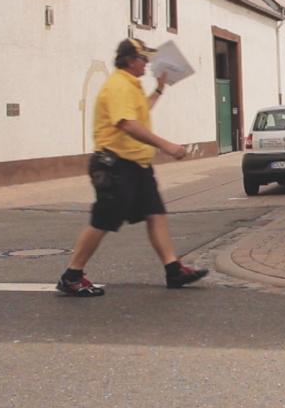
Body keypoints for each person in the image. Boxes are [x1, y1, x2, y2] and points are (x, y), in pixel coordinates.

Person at [57, 38, 208, 296]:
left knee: (155, 213)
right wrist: (167, 146)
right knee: (104, 220)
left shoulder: (132, 85)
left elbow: (139, 114)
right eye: (143, 59)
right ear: (130, 59)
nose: (147, 63)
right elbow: (127, 123)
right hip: (114, 164)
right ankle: (72, 275)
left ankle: (173, 270)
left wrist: (159, 90)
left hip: (137, 164)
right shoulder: (118, 85)